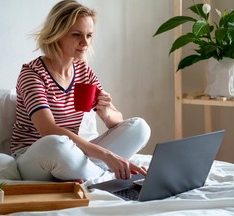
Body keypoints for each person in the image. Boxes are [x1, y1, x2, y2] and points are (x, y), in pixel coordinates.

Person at [10, 0, 151, 182]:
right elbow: (48, 129)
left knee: (139, 127)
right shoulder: (32, 73)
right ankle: (104, 175)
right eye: (77, 35)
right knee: (56, 144)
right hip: (35, 156)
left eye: (89, 35)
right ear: (57, 34)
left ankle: (82, 171)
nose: (85, 43)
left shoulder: (84, 72)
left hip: (73, 153)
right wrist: (107, 156)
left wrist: (107, 113)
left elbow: (118, 121)